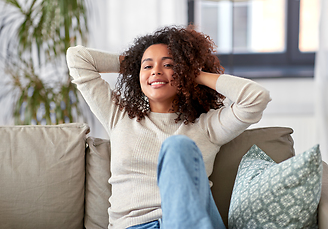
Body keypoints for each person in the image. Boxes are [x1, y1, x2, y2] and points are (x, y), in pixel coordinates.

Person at [66, 26, 271, 229]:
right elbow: (78, 59)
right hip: (134, 226)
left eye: (169, 65)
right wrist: (136, 63)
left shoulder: (207, 127)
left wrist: (193, 73)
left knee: (178, 146)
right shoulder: (119, 117)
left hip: (191, 221)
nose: (156, 71)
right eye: (148, 67)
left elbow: (256, 98)